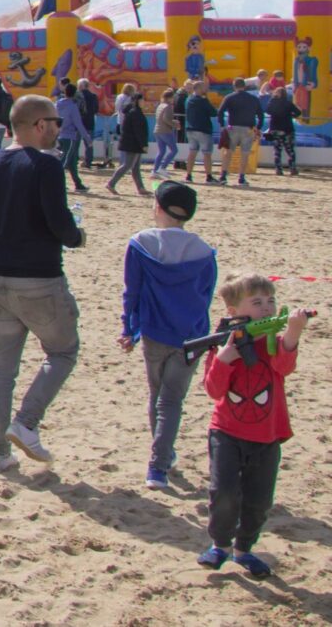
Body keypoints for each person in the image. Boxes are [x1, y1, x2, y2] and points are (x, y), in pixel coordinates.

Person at [0, 95, 84, 474]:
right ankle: (27, 422)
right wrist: (77, 237)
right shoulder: (46, 166)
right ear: (39, 125)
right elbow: (59, 223)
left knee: (2, 368)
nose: (58, 130)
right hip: (38, 277)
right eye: (56, 123)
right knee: (63, 352)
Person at [197, 276, 314, 577]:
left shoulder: (272, 339)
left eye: (270, 301)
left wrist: (293, 332)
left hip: (267, 435)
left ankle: (243, 549)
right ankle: (220, 546)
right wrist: (223, 358)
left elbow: (284, 367)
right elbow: (213, 390)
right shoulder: (226, 339)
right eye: (257, 302)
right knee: (222, 492)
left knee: (259, 500)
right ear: (235, 309)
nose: (267, 308)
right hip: (226, 432)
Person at [117, 180, 216, 491]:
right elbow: (206, 295)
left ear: (157, 207)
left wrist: (128, 328)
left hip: (157, 332)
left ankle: (158, 465)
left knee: (160, 397)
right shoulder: (203, 251)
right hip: (191, 335)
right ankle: (164, 455)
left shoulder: (140, 243)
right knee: (171, 400)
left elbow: (131, 292)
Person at [218, 78, 265, 187]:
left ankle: (223, 175)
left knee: (228, 152)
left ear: (234, 86)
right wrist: (258, 127)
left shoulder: (229, 97)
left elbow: (220, 112)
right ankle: (241, 177)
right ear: (245, 86)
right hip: (248, 128)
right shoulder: (253, 99)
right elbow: (261, 115)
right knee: (245, 154)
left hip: (233, 127)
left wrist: (221, 125)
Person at [107, 90, 151, 195]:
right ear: (137, 101)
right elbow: (138, 131)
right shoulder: (135, 113)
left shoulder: (134, 112)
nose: (144, 102)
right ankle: (111, 183)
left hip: (133, 143)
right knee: (127, 165)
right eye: (142, 100)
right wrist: (143, 144)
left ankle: (140, 188)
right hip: (132, 143)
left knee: (135, 167)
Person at [55, 85, 91, 193]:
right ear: (74, 93)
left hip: (59, 136)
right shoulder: (72, 106)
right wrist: (87, 138)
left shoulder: (57, 104)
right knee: (64, 162)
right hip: (69, 137)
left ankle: (78, 184)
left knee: (71, 161)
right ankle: (57, 184)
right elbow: (78, 124)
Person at [182, 81, 218, 185]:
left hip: (190, 129)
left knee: (192, 152)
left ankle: (188, 175)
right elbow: (213, 112)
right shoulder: (202, 100)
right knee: (207, 154)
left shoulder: (188, 99)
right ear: (198, 88)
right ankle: (209, 176)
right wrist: (206, 99)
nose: (206, 89)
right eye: (203, 87)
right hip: (203, 129)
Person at [267, 83, 300, 177]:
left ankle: (278, 169)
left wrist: (273, 99)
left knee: (277, 150)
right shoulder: (288, 103)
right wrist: (291, 115)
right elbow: (298, 112)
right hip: (287, 129)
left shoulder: (273, 102)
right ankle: (292, 168)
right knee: (290, 150)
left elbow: (268, 110)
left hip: (275, 129)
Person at [149, 88, 180, 179]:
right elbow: (166, 119)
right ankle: (163, 168)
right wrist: (175, 124)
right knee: (174, 150)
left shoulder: (160, 105)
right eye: (173, 97)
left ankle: (155, 171)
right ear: (170, 98)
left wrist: (172, 121)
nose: (174, 99)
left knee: (161, 151)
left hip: (157, 130)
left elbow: (161, 118)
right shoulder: (168, 106)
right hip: (165, 131)